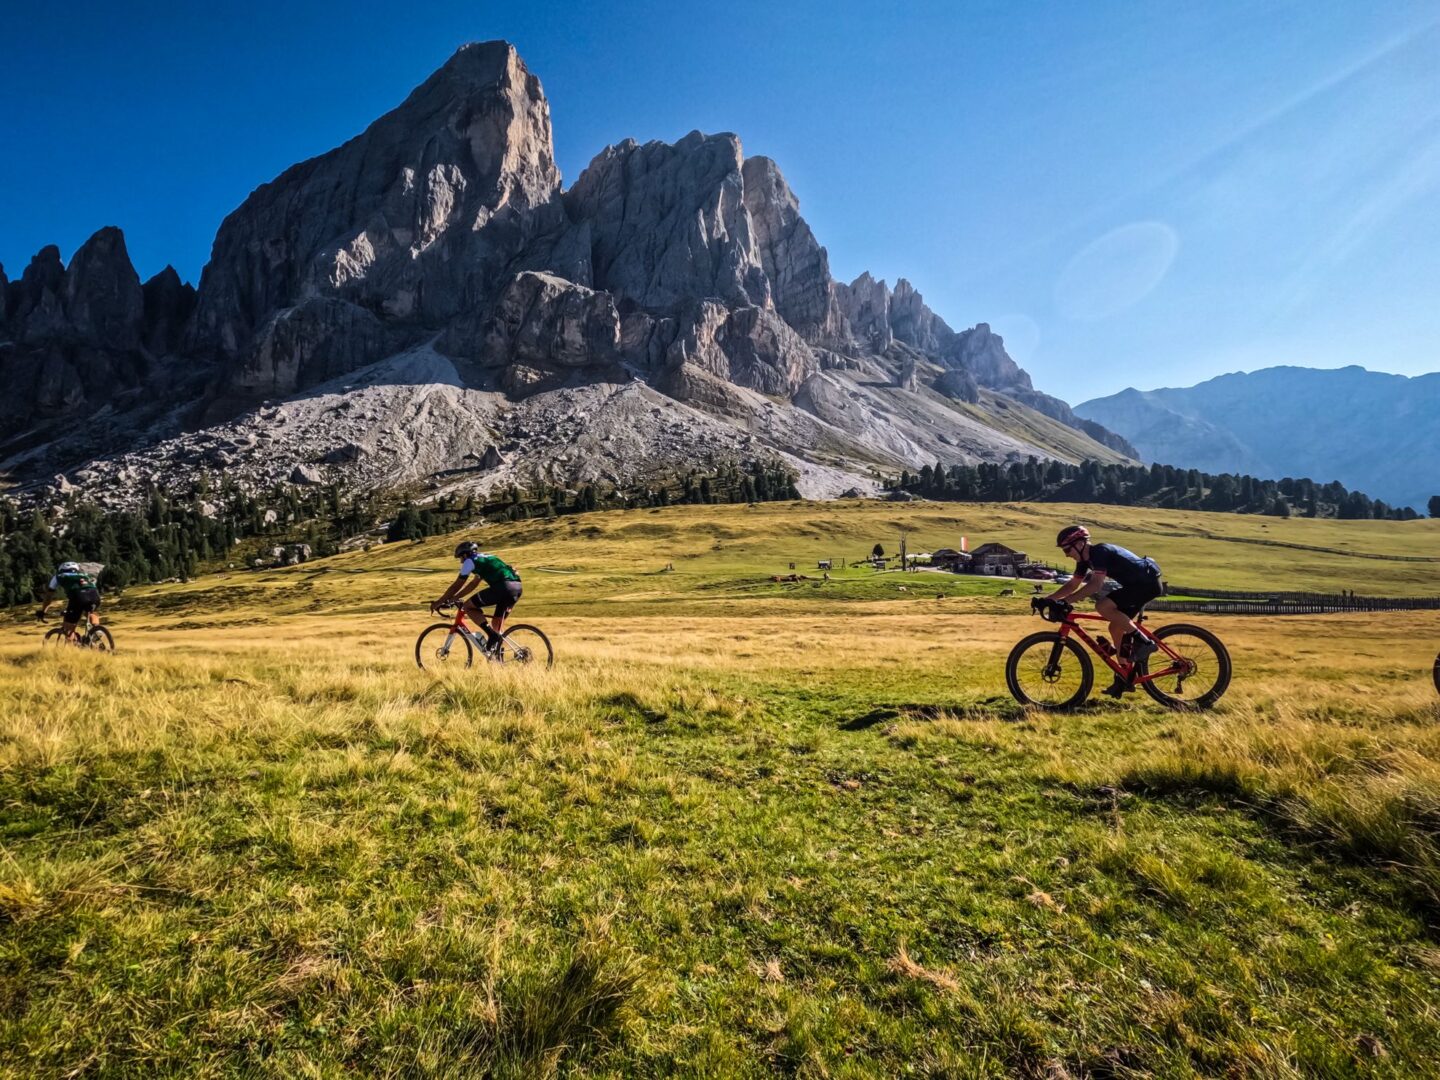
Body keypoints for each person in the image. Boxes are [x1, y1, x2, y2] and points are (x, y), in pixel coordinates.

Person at [1045, 525, 1163, 696]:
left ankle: (1144, 642)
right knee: (1115, 628)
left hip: (1146, 584)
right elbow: (1072, 584)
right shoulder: (1084, 562)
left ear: (1080, 544)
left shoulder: (1100, 552)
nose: (1066, 554)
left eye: (1068, 549)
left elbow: (1095, 585)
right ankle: (1124, 677)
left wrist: (1066, 602)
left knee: (1102, 606)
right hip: (1136, 585)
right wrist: (1048, 600)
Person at [430, 541, 522, 649]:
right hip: (517, 588)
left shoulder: (469, 561)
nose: (461, 561)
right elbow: (473, 584)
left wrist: (439, 602)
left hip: (503, 588)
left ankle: (491, 635)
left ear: (465, 554)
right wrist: (455, 598)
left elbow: (457, 585)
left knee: (468, 606)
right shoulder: (486, 558)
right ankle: (499, 655)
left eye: (460, 558)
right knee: (496, 624)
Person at [37, 561, 102, 642]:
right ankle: (96, 629)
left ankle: (72, 649)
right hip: (95, 596)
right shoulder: (85, 575)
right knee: (91, 612)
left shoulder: (58, 576)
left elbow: (48, 596)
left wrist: (43, 611)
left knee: (68, 627)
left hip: (78, 597)